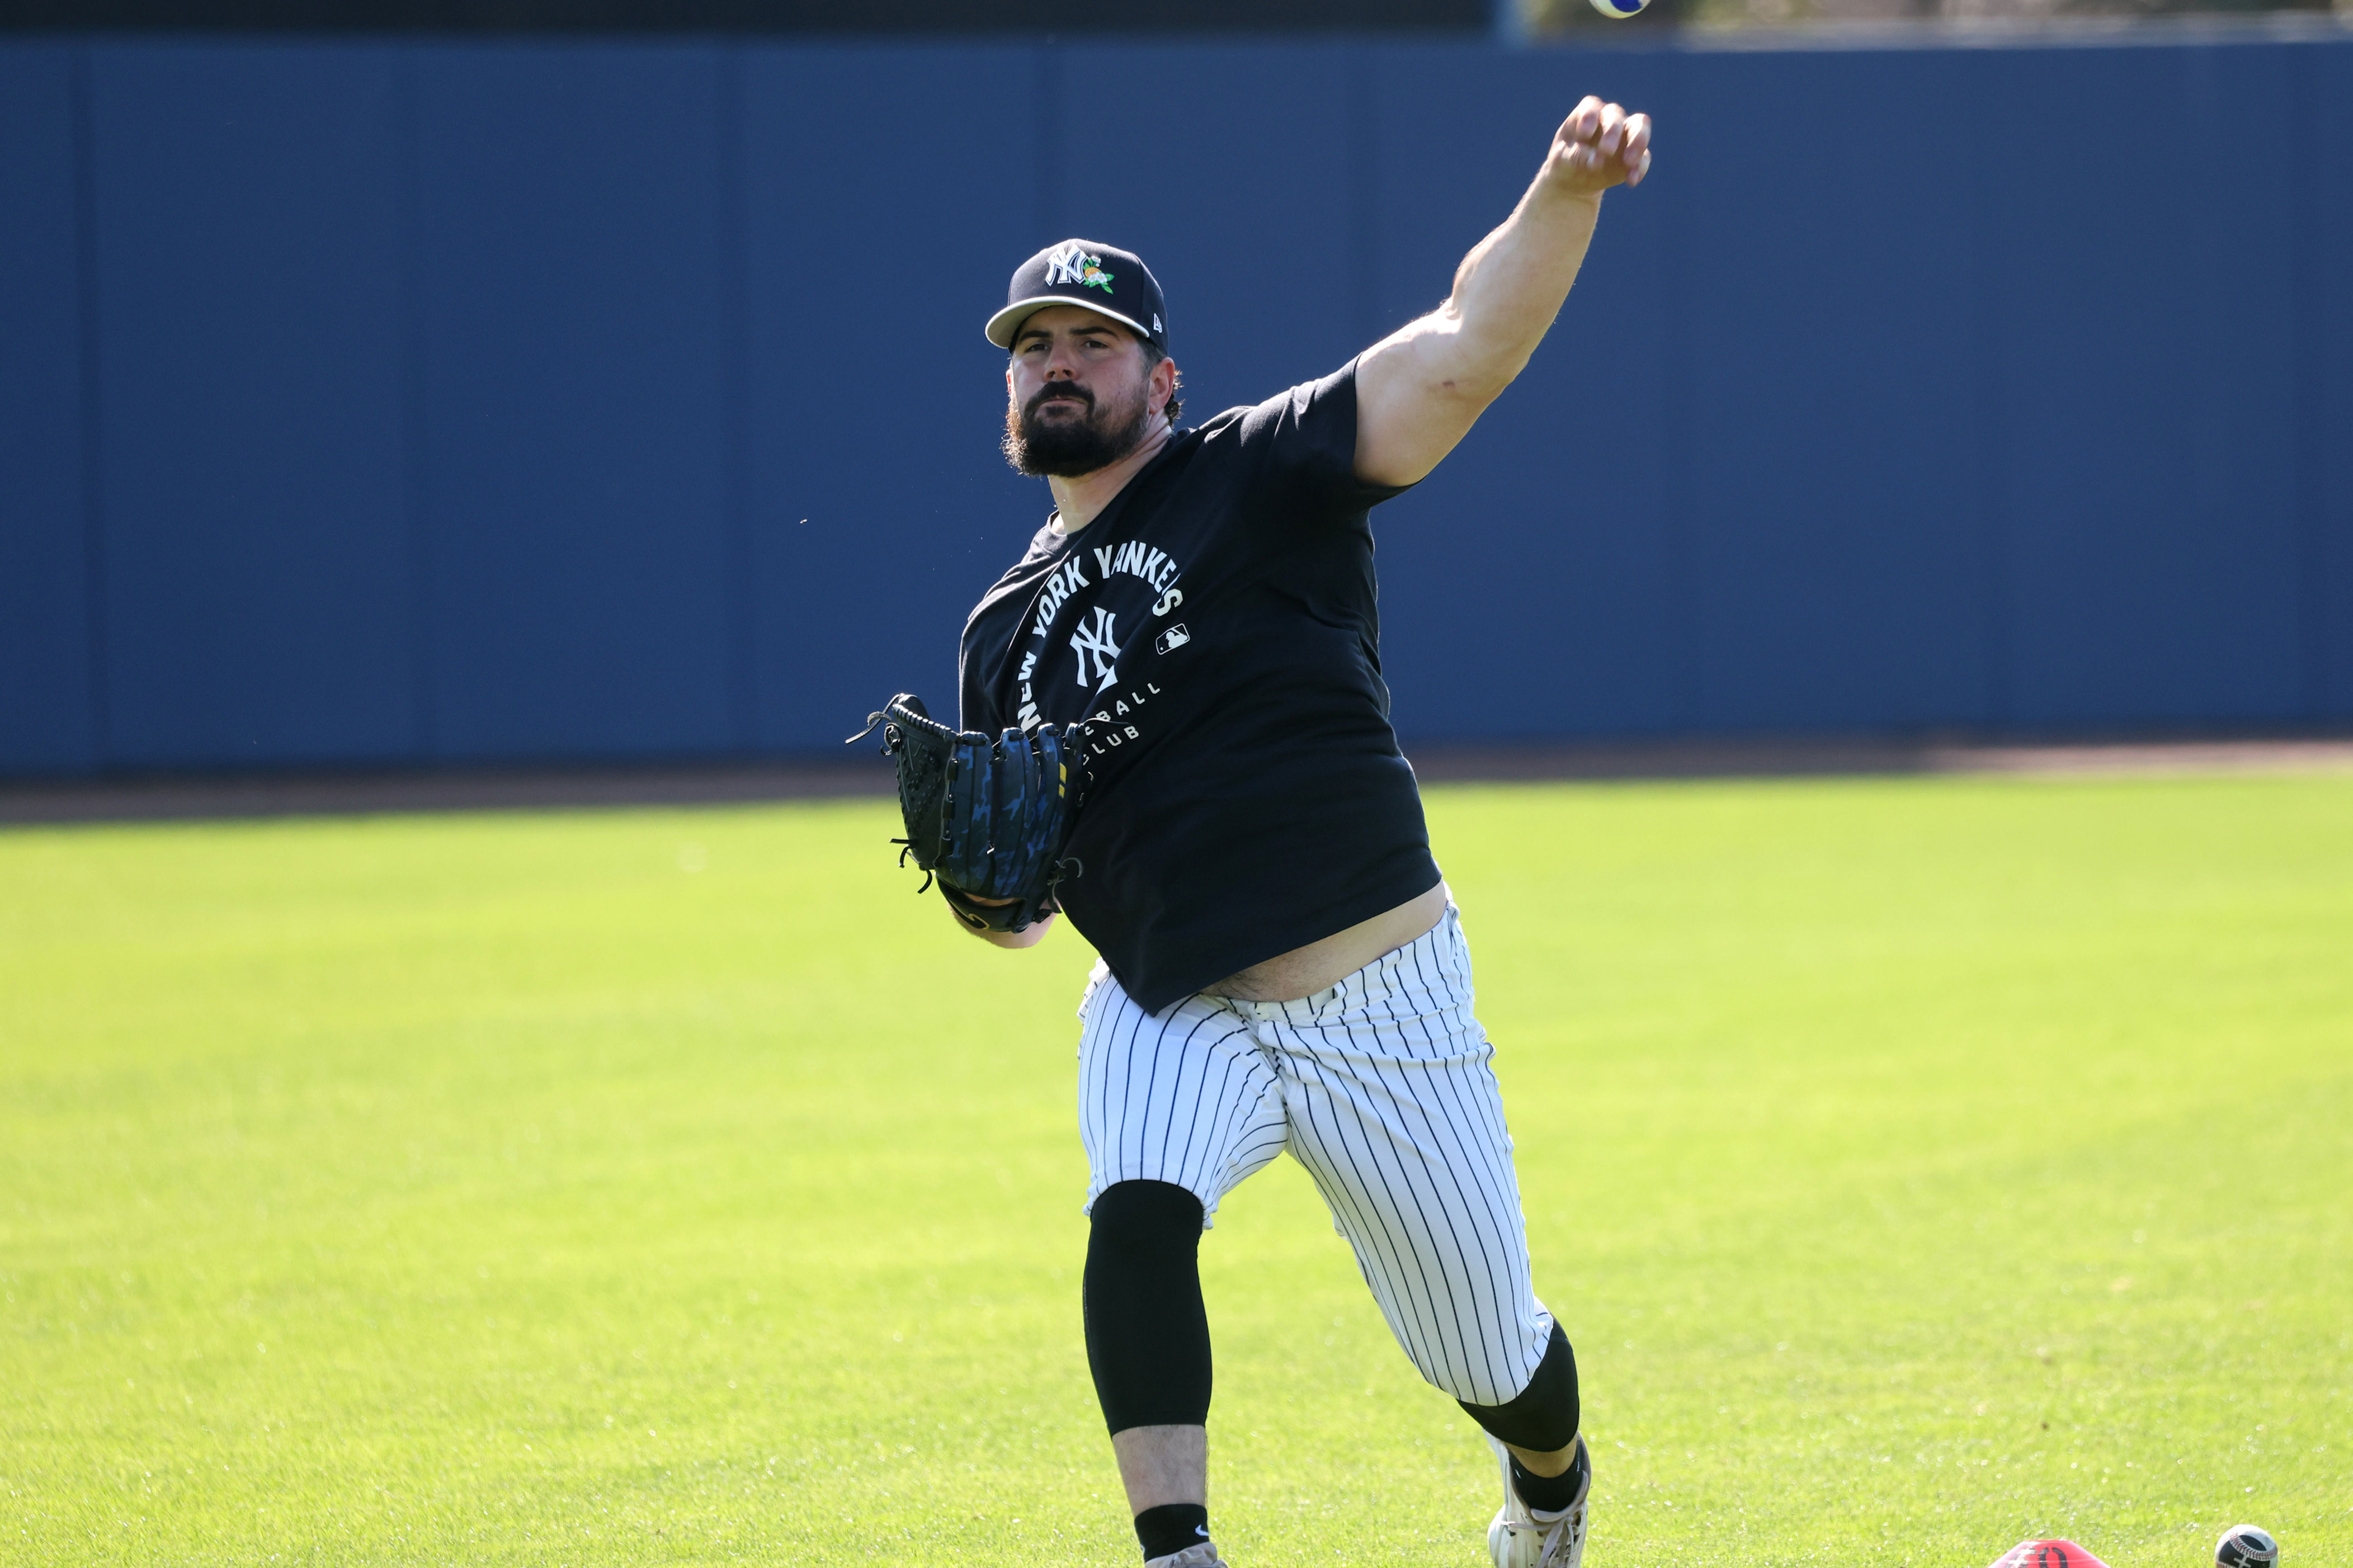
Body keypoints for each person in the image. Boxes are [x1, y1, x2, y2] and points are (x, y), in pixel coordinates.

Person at [952, 96, 1652, 1568]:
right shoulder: (999, 632)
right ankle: (1179, 1548)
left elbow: (1466, 351)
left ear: (1162, 375)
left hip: (1380, 994)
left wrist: (1568, 186)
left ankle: (1552, 1484)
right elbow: (1003, 890)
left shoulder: (1261, 473)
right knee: (1136, 1210)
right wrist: (986, 894)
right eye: (1032, 346)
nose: (1056, 364)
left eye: (1090, 340)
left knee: (1488, 1350)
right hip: (1168, 999)